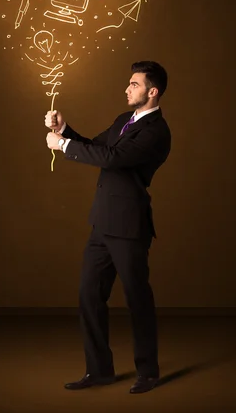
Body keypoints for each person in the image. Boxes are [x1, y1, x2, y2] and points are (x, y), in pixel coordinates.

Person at [45, 60, 171, 394]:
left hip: (129, 226)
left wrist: (64, 147)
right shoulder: (122, 121)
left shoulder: (157, 131)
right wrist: (65, 130)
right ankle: (99, 371)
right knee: (89, 295)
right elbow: (98, 147)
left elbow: (112, 160)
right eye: (129, 83)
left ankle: (149, 371)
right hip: (102, 222)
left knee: (136, 299)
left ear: (152, 91)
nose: (127, 89)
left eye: (134, 84)